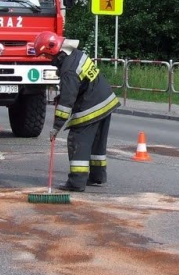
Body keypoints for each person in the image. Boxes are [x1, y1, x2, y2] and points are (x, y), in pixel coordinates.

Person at [32, 31, 120, 192]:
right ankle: (97, 176)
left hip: (92, 105)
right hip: (106, 100)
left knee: (78, 139)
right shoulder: (76, 55)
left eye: (48, 56)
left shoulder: (69, 70)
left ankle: (77, 182)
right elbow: (78, 85)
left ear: (55, 51)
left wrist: (56, 127)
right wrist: (63, 94)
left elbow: (67, 103)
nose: (50, 61)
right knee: (97, 143)